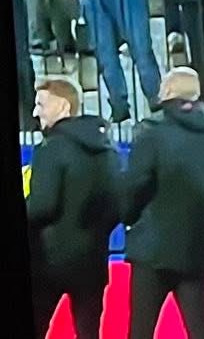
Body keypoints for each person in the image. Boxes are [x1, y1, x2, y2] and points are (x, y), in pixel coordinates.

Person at [124, 67, 204, 339]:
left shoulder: (150, 137)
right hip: (196, 252)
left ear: (166, 93)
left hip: (151, 252)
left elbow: (132, 189)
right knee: (200, 332)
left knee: (140, 332)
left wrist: (132, 219)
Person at [27, 77, 120, 339]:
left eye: (41, 104)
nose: (35, 112)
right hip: (93, 260)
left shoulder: (51, 148)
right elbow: (117, 203)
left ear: (63, 107)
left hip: (48, 263)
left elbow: (42, 206)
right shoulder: (108, 150)